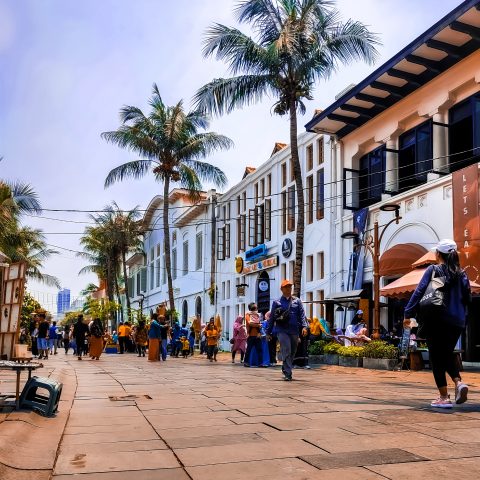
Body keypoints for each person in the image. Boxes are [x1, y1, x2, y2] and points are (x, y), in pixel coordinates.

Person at [404, 239, 471, 408]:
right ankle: (458, 383)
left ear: (438, 254)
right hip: (457, 321)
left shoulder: (435, 270)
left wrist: (408, 313)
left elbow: (420, 292)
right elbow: (467, 298)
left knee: (436, 356)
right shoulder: (462, 274)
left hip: (438, 318)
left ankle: (444, 397)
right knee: (446, 353)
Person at [267, 279, 308, 381]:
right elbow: (272, 317)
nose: (289, 289)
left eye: (290, 287)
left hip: (294, 330)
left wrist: (304, 327)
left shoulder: (297, 301)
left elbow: (302, 315)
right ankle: (288, 373)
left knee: (292, 352)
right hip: (282, 330)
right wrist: (268, 332)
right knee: (287, 350)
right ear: (281, 289)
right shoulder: (277, 302)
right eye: (286, 287)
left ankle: (285, 367)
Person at [244, 303, 263, 367]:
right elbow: (250, 323)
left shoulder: (258, 315)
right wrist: (258, 325)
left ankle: (260, 363)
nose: (257, 307)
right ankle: (246, 362)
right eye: (256, 306)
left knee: (259, 350)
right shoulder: (247, 315)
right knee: (248, 349)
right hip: (251, 335)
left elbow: (260, 324)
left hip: (257, 334)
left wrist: (260, 332)